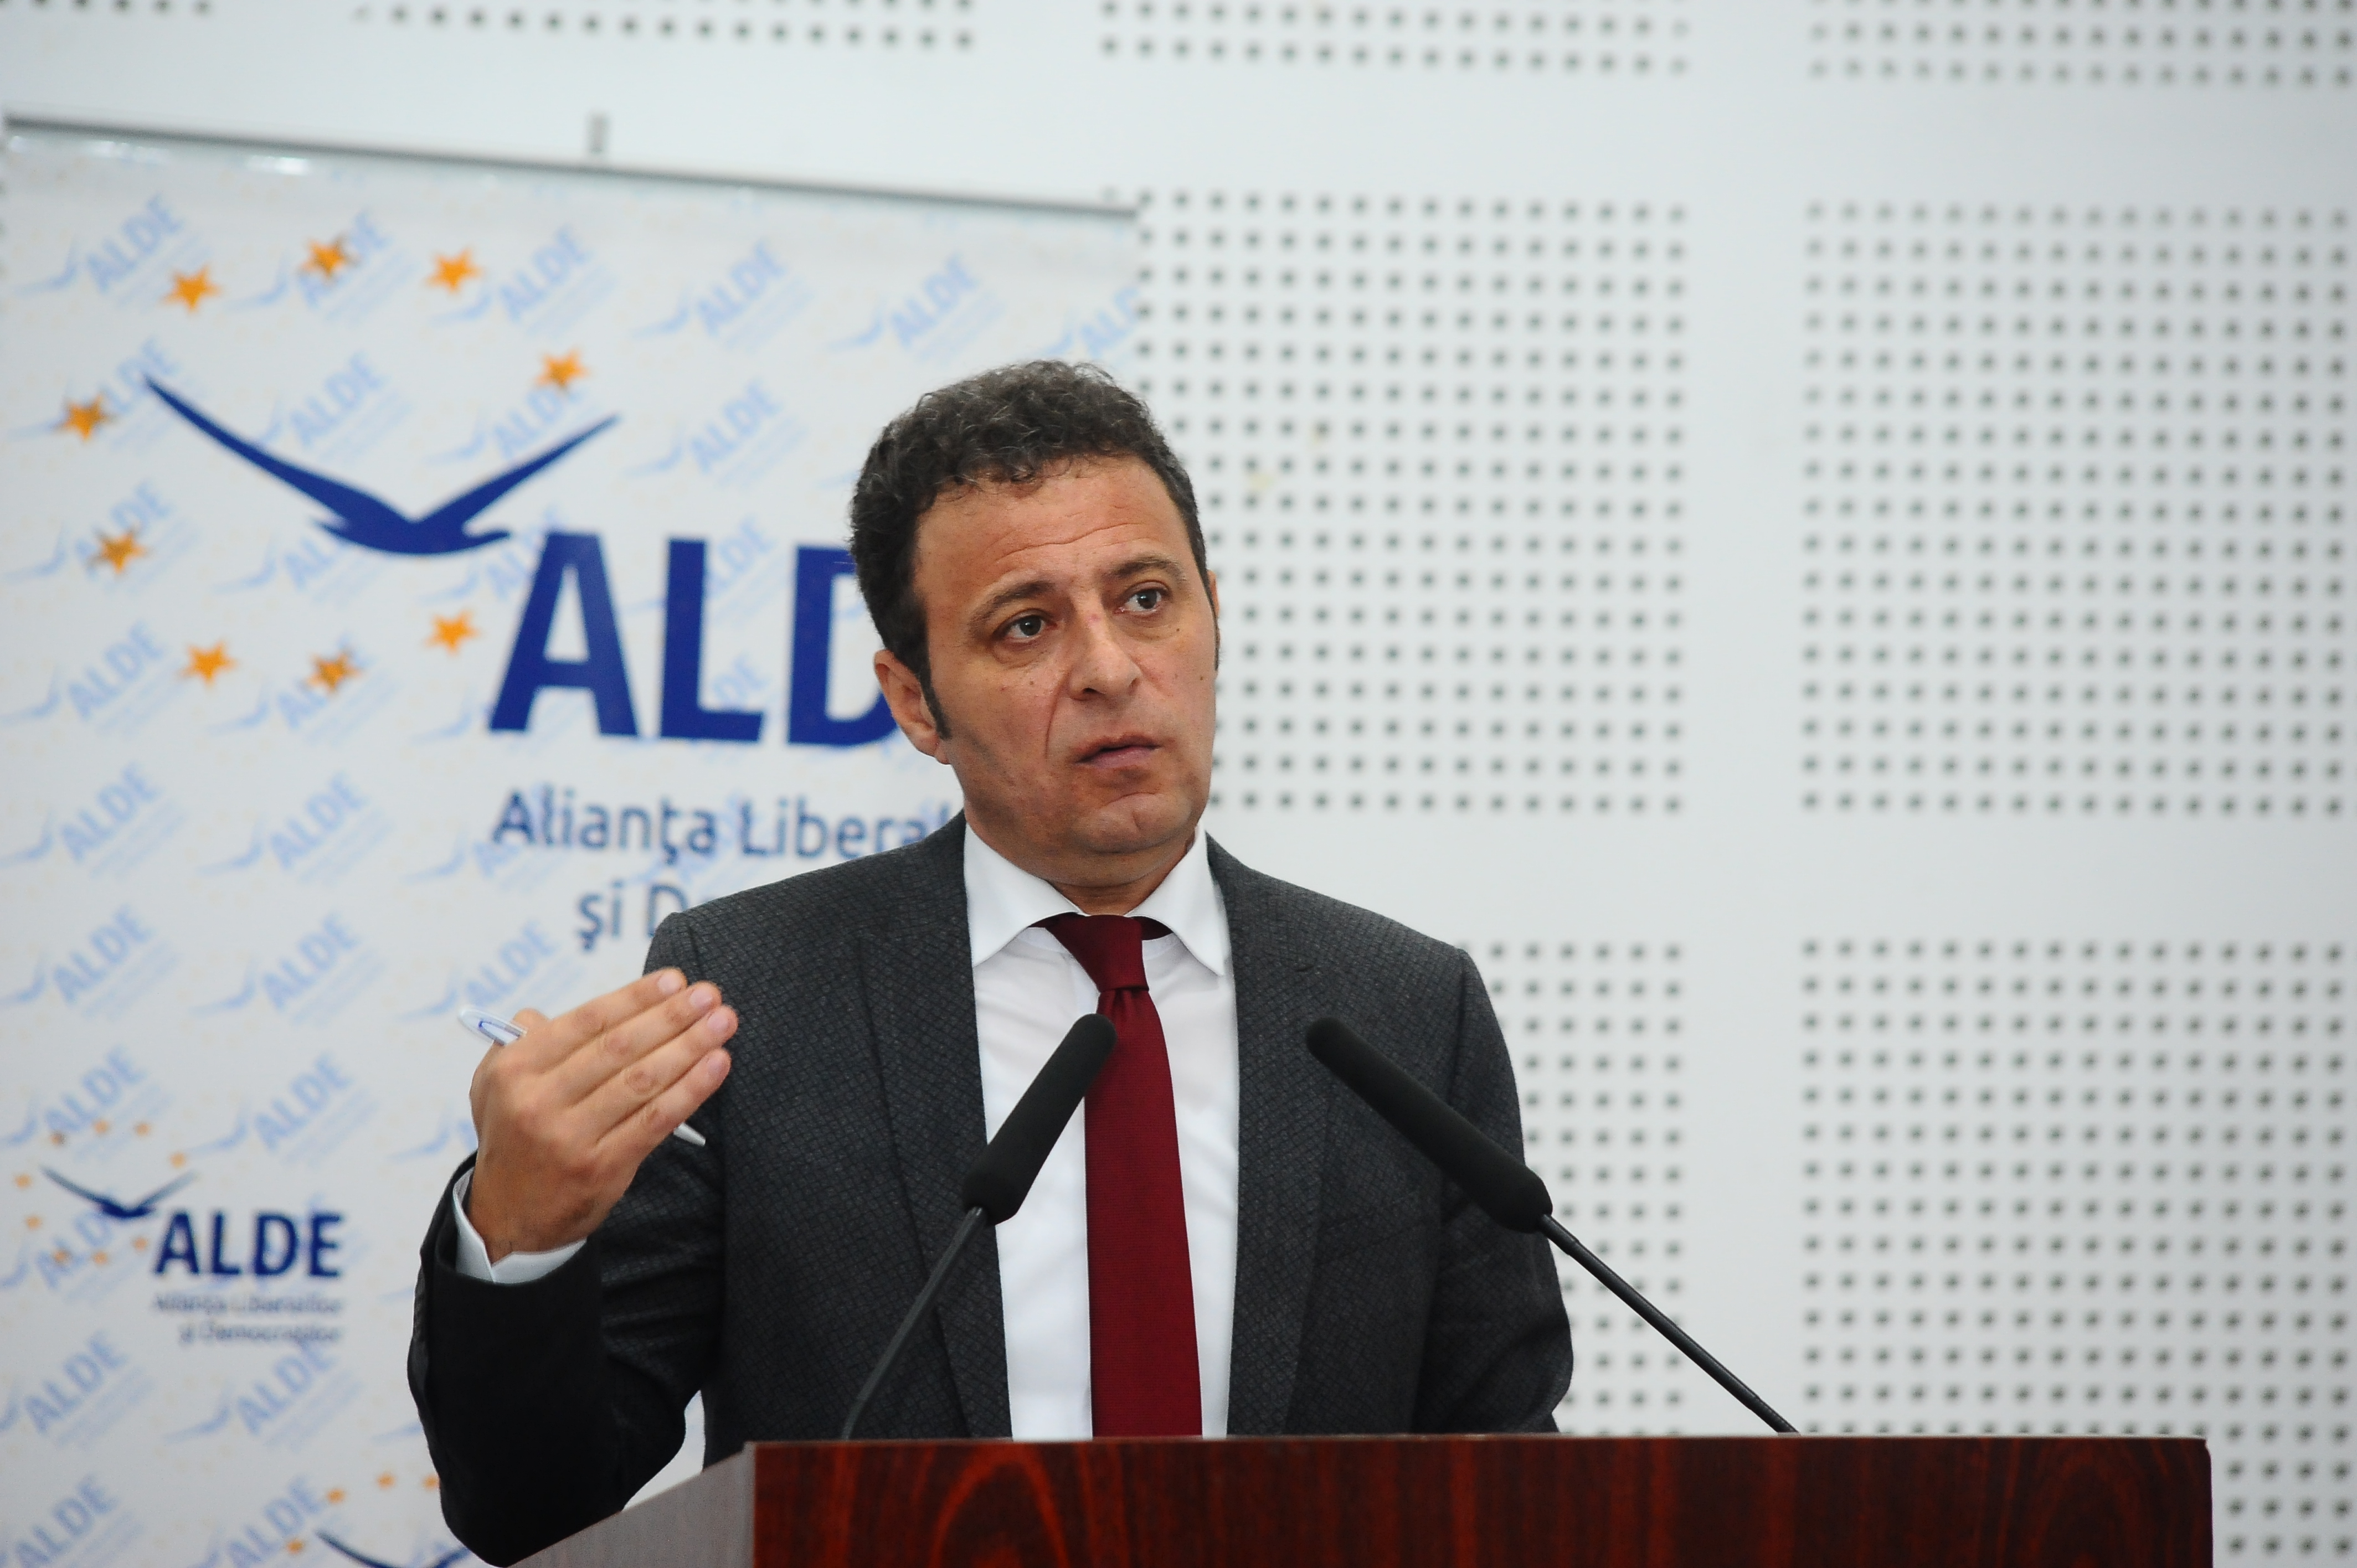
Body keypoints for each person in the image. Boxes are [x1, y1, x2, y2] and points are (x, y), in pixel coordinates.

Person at [407, 360, 1571, 1564]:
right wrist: (521, 1238)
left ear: (1213, 618)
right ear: (917, 703)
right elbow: (536, 1510)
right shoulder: (753, 994)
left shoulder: (1406, 1012)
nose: (1110, 668)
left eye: (1147, 599)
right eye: (1027, 625)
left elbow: (1504, 1476)